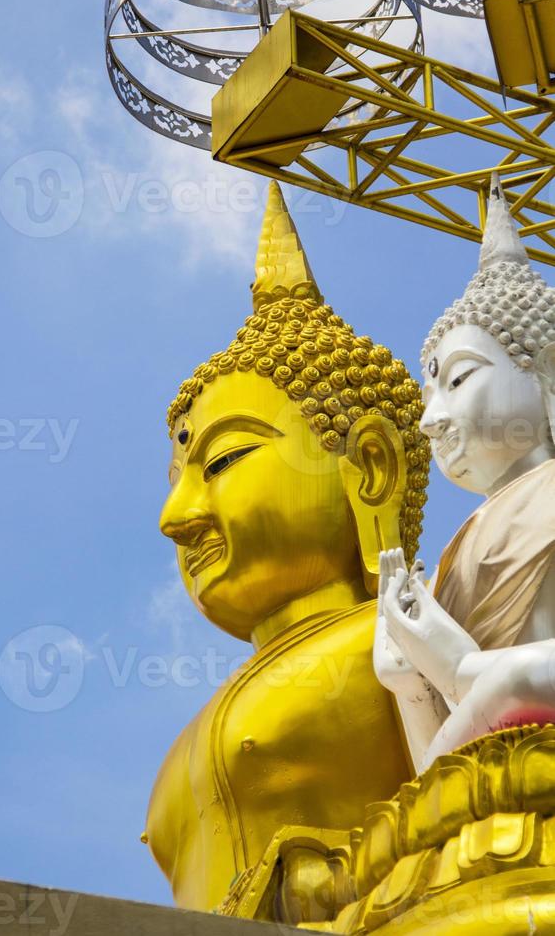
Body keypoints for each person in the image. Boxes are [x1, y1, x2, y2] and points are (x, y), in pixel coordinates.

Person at [145, 181, 430, 914]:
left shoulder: (416, 635)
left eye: (224, 461)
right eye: (178, 479)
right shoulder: (195, 726)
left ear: (371, 466)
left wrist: (347, 877)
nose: (178, 516)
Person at [376, 174, 555, 772]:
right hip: (488, 811)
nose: (432, 419)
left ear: (546, 372)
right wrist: (413, 688)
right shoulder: (457, 550)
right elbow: (435, 775)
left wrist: (462, 669)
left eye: (458, 379)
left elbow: (526, 680)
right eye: (432, 393)